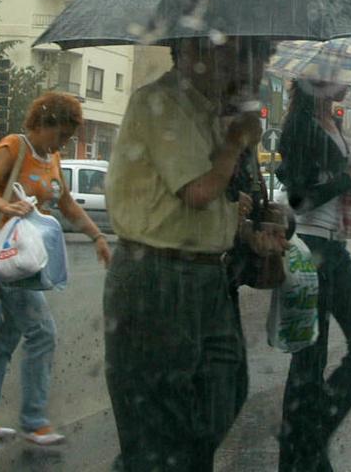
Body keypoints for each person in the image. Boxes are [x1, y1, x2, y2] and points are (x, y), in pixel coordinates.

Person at [103, 36, 286, 472]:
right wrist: (236, 142)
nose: (248, 71)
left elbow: (211, 206)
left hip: (205, 277)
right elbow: (197, 192)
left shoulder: (208, 111)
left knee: (224, 390)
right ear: (193, 52)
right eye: (238, 55)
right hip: (158, 277)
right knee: (160, 421)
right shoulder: (161, 103)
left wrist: (248, 233)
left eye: (257, 61)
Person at [0, 92, 111, 445]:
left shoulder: (52, 158)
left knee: (3, 339)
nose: (64, 142)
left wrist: (97, 237)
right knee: (42, 333)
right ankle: (33, 420)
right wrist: (3, 204)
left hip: (31, 256)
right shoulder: (15, 146)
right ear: (45, 123)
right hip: (7, 255)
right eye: (62, 135)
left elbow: (67, 204)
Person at [276, 79, 351, 472]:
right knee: (313, 362)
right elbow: (299, 199)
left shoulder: (331, 122)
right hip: (312, 248)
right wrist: (350, 174)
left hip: (334, 248)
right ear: (315, 79)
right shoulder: (300, 126)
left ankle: (303, 447)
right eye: (339, 74)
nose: (347, 83)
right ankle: (307, 445)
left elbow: (334, 182)